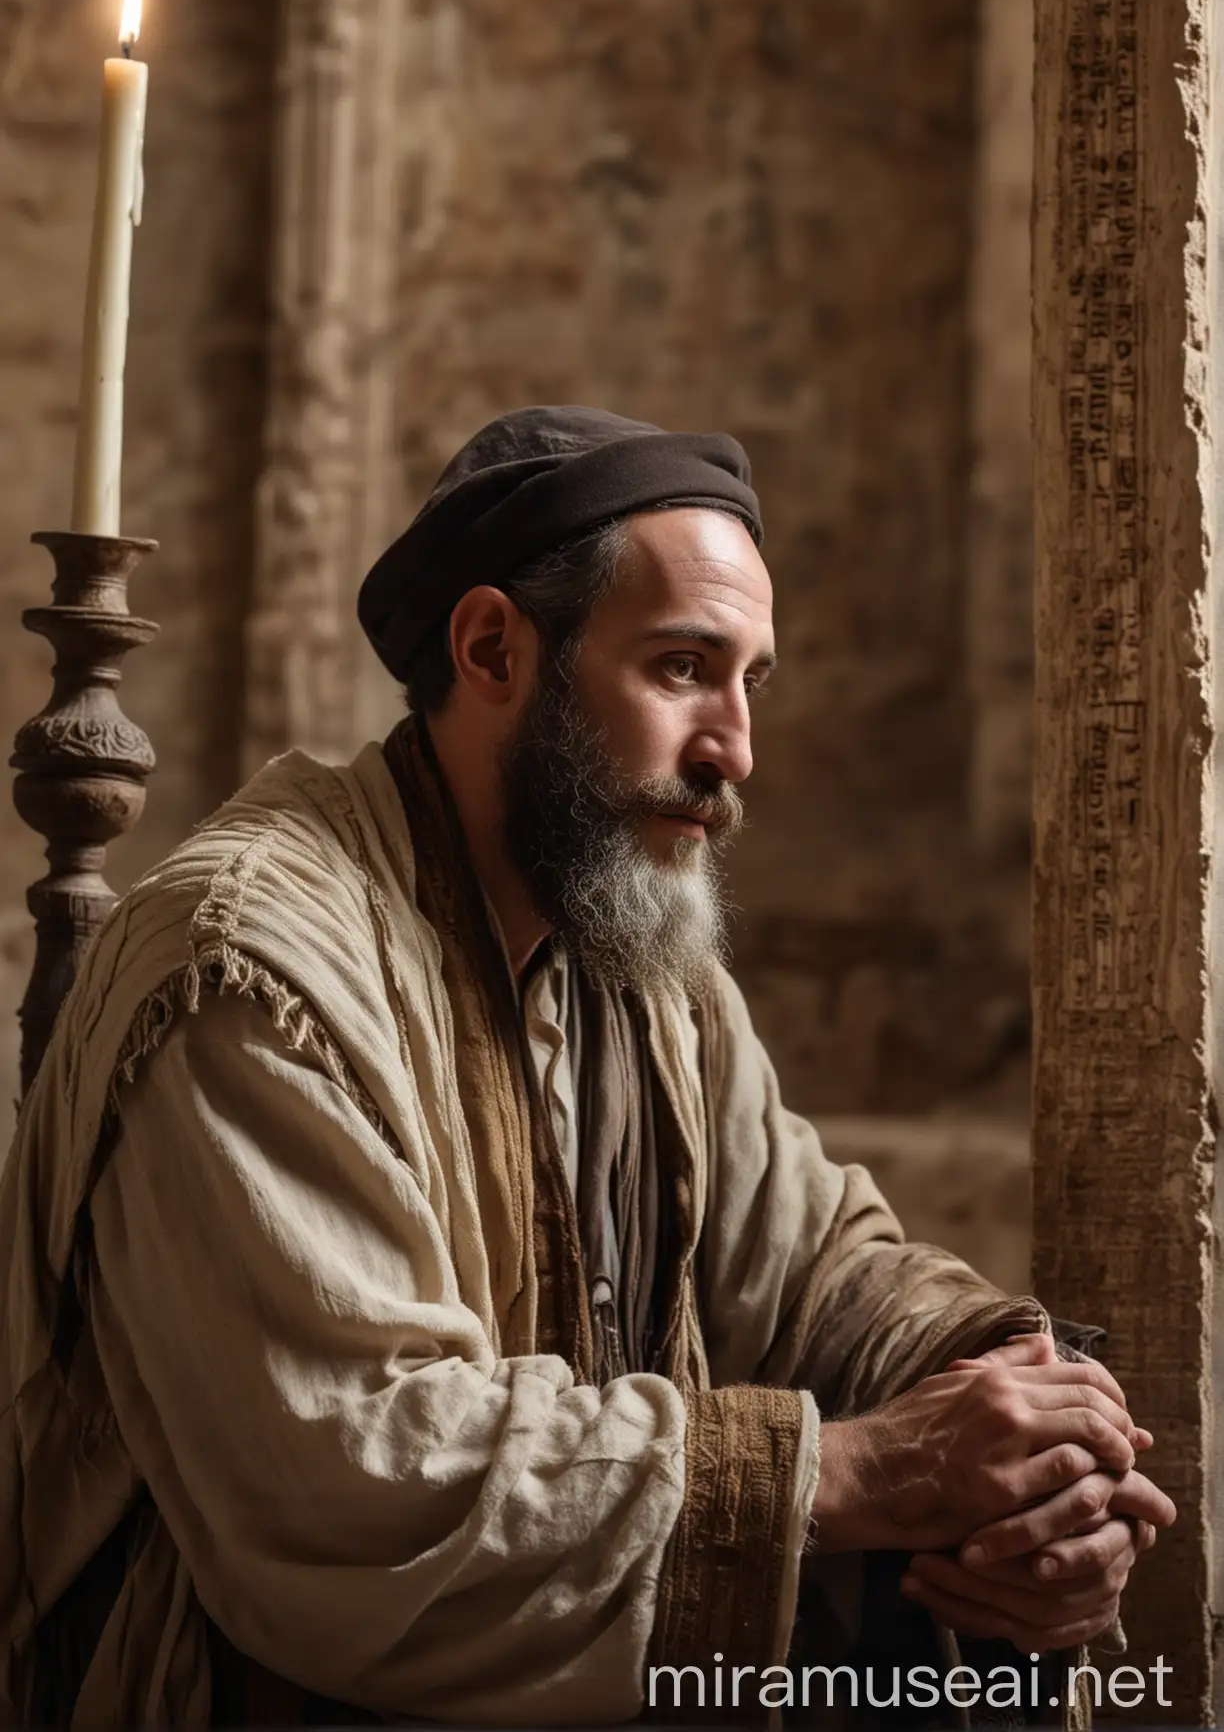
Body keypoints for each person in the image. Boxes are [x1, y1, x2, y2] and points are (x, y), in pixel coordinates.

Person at [0, 407, 1173, 1728]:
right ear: (494, 647)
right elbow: (361, 1479)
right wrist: (860, 1476)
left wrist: (1027, 1414)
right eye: (682, 669)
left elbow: (808, 1261)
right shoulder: (249, 967)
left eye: (751, 681)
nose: (735, 749)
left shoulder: (631, 940)